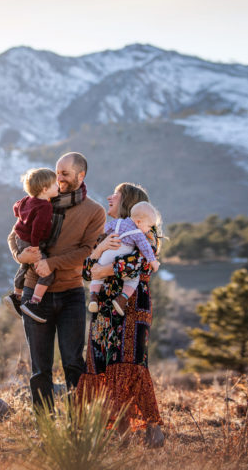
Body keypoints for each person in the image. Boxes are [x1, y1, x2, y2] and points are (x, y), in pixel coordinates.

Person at [7, 152, 105, 411]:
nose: (58, 178)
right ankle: (45, 430)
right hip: (33, 291)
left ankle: (77, 429)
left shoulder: (94, 211)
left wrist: (51, 263)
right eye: (56, 172)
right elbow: (13, 236)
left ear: (80, 176)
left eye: (64, 173)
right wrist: (20, 254)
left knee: (74, 363)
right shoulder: (39, 200)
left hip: (71, 294)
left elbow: (87, 250)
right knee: (40, 368)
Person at [78, 182, 165, 447]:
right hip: (103, 310)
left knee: (128, 363)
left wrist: (105, 269)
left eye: (115, 195)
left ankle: (152, 430)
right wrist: (99, 252)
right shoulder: (106, 232)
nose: (109, 197)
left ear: (128, 202)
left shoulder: (143, 232)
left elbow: (140, 265)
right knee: (101, 365)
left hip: (131, 308)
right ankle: (117, 432)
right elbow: (85, 272)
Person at [88, 201, 160, 315]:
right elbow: (146, 249)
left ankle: (93, 297)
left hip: (107, 253)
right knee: (132, 280)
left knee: (97, 277)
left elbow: (102, 230)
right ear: (139, 222)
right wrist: (154, 262)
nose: (148, 229)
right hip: (121, 255)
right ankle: (121, 299)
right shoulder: (138, 232)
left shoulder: (117, 223)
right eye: (148, 226)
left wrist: (99, 246)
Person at [8, 167, 60, 323]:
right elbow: (37, 228)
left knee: (24, 266)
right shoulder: (45, 206)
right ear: (45, 189)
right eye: (55, 184)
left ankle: (16, 296)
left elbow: (16, 207)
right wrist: (35, 246)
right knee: (46, 273)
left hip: (20, 239)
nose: (58, 186)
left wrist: (22, 216)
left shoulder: (26, 200)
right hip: (31, 242)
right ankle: (34, 303)